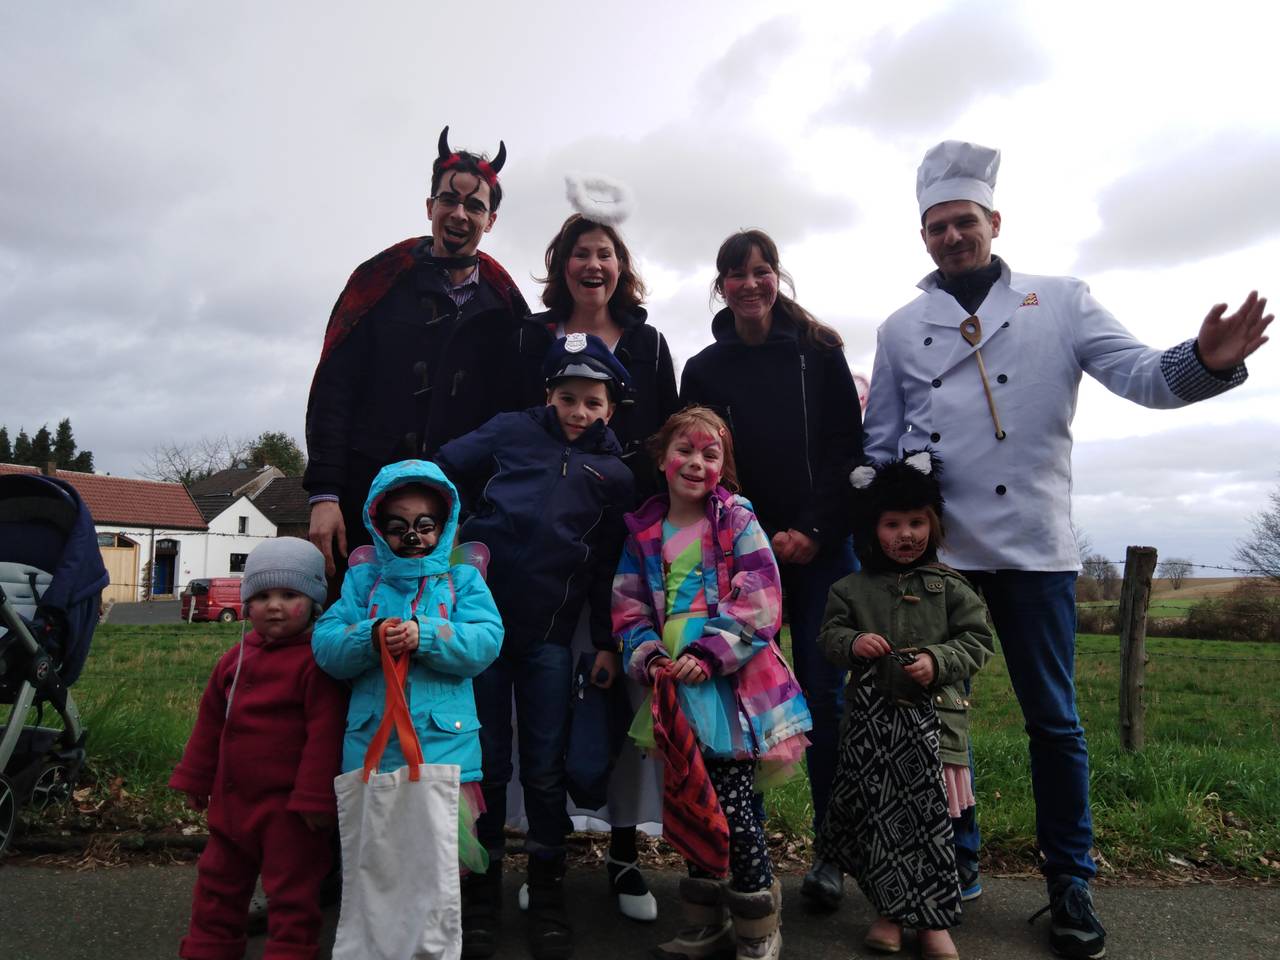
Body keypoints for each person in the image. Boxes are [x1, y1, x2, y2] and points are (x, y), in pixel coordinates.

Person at [862, 139, 1273, 959]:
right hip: (940, 560)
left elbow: (1143, 375)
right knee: (934, 720)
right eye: (937, 226)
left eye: (965, 221)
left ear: (995, 221)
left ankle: (1069, 882)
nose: (952, 236)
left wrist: (1206, 364)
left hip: (1035, 552)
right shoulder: (901, 328)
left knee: (1054, 722)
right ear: (923, 236)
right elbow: (880, 445)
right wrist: (884, 516)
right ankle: (951, 863)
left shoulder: (1062, 300)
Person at [435, 333, 635, 960]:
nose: (578, 412)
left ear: (610, 410)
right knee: (489, 764)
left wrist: (604, 642)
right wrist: (458, 538)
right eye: (567, 397)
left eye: (593, 403)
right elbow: (441, 469)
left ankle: (548, 894)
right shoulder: (510, 430)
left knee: (545, 770)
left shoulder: (616, 475)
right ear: (548, 395)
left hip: (550, 639)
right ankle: (482, 894)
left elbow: (607, 566)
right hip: (482, 634)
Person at [680, 229, 863, 906]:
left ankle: (832, 853)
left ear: (776, 277)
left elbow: (847, 449)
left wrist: (814, 529)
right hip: (738, 561)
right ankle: (744, 848)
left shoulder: (820, 352)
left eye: (762, 271)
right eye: (737, 273)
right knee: (740, 705)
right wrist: (745, 538)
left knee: (825, 700)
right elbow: (701, 457)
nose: (750, 283)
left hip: (819, 553)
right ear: (721, 285)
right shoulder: (704, 368)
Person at [508, 211, 679, 920]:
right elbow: (513, 429)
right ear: (562, 264)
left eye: (605, 253)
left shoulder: (648, 342)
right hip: (543, 555)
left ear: (620, 266)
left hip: (625, 546)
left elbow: (666, 435)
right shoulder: (531, 337)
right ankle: (543, 853)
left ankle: (624, 856)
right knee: (545, 713)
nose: (593, 265)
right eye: (581, 253)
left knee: (623, 701)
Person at [614, 406, 812, 960]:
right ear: (662, 458)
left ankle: (757, 924)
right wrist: (650, 657)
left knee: (736, 808)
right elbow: (628, 608)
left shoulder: (737, 520)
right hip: (674, 686)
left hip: (731, 685)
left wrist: (710, 652)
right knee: (691, 799)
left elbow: (761, 596)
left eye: (710, 454)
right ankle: (706, 921)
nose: (696, 463)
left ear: (723, 467)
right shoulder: (643, 533)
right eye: (685, 450)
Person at [304, 125, 530, 583]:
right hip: (369, 497)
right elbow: (334, 388)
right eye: (449, 200)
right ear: (430, 207)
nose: (460, 214)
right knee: (362, 618)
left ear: (490, 220)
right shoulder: (377, 283)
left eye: (474, 205)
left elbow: (518, 413)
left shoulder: (505, 304)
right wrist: (324, 494)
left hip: (461, 508)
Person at [816, 451, 994, 960]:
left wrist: (939, 660)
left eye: (916, 522)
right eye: (892, 524)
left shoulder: (952, 588)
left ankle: (934, 922)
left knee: (934, 828)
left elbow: (978, 641)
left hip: (937, 733)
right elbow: (828, 638)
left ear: (933, 524)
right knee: (883, 827)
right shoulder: (849, 590)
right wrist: (854, 643)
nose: (906, 535)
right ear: (872, 530)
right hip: (874, 737)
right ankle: (889, 915)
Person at [311, 460, 504, 874]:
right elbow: (326, 645)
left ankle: (436, 922)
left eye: (425, 525)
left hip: (444, 750)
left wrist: (428, 635)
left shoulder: (462, 581)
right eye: (398, 527)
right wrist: (370, 636)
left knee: (437, 868)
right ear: (378, 529)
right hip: (372, 752)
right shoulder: (363, 583)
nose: (413, 537)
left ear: (444, 526)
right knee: (378, 866)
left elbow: (486, 641)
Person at [171, 537, 347, 960]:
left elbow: (325, 736)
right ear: (247, 604)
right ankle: (211, 945)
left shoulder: (317, 664)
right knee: (217, 880)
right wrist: (197, 777)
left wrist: (315, 799)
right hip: (232, 802)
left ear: (314, 604)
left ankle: (291, 949)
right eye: (263, 596)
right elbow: (211, 722)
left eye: (289, 595)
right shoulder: (234, 659)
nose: (274, 606)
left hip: (289, 811)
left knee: (292, 888)